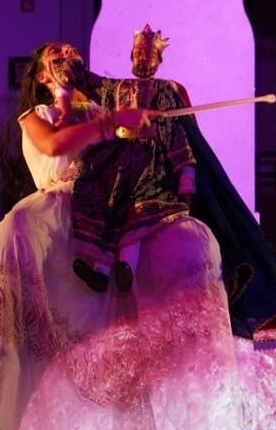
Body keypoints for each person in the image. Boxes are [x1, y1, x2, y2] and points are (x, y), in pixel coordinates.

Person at [0, 41, 260, 430]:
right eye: (55, 56)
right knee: (32, 305)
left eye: (71, 53)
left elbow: (136, 135)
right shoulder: (39, 115)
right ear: (41, 74)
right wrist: (110, 125)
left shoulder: (101, 109)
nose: (66, 58)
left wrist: (145, 113)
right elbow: (55, 145)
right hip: (56, 216)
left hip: (105, 208)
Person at [68, 26, 197, 294]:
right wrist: (73, 67)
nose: (142, 58)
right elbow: (90, 83)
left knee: (137, 211)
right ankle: (100, 271)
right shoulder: (116, 87)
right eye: (137, 53)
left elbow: (174, 132)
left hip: (148, 162)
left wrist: (185, 174)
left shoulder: (164, 90)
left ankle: (125, 266)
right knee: (107, 205)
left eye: (148, 54)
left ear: (158, 59)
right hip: (115, 158)